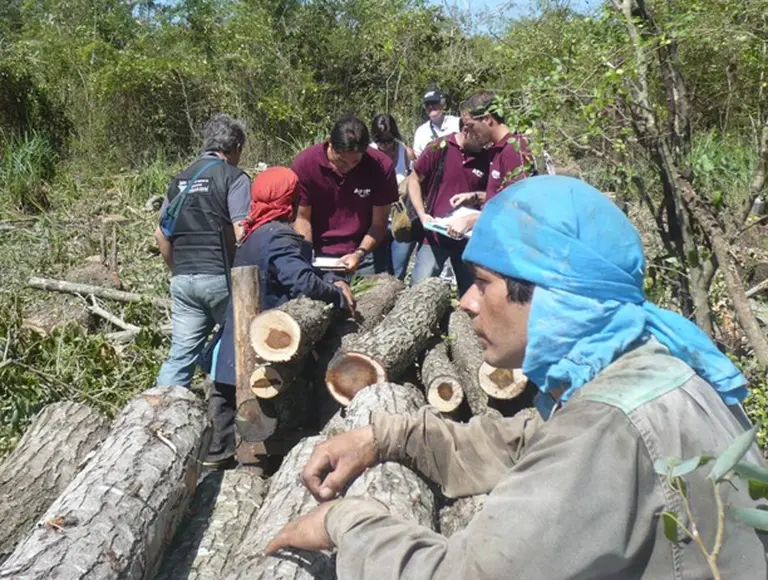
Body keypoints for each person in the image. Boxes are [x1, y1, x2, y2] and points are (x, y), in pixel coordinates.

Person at [264, 175, 767, 578]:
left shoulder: (608, 424)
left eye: (483, 284)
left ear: (550, 294)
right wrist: (387, 435)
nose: (467, 302)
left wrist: (346, 522)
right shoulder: (653, 367)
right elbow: (533, 445)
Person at [204, 167, 355, 467]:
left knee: (221, 433)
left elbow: (301, 270)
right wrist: (338, 296)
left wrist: (328, 278)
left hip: (235, 344)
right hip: (262, 345)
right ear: (290, 200)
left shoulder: (256, 233)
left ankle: (220, 455)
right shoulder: (278, 235)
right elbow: (301, 282)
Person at [155, 113, 250, 388]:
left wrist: (178, 270)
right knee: (235, 339)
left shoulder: (180, 181)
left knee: (179, 356)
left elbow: (161, 233)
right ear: (235, 148)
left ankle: (160, 413)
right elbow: (242, 231)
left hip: (184, 280)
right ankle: (222, 406)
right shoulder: (234, 178)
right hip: (220, 277)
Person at [292, 115, 398, 276]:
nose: (347, 168)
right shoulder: (306, 163)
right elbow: (302, 218)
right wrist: (307, 252)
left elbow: (379, 224)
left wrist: (360, 253)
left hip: (365, 253)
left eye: (355, 162)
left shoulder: (381, 167)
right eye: (341, 161)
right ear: (330, 144)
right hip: (320, 253)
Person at [407, 130, 488, 296]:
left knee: (472, 294)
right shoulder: (439, 147)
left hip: (468, 239)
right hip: (435, 235)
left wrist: (475, 197)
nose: (484, 144)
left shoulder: (488, 156)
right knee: (418, 290)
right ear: (467, 130)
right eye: (480, 139)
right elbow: (414, 179)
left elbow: (495, 194)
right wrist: (422, 214)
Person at [445, 90, 534, 240]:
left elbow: (518, 206)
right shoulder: (496, 150)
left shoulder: (513, 150)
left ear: (487, 119)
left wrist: (471, 219)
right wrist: (475, 197)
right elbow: (502, 196)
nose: (469, 133)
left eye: (471, 126)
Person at [369, 113, 416, 279]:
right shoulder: (368, 154)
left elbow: (416, 181)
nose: (385, 145)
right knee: (378, 272)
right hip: (375, 220)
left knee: (398, 271)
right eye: (380, 140)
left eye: (389, 140)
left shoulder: (405, 152)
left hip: (400, 219)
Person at [412, 89, 461, 158]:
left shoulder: (457, 123)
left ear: (442, 104)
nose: (430, 107)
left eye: (433, 103)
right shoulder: (420, 131)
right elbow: (418, 157)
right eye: (427, 104)